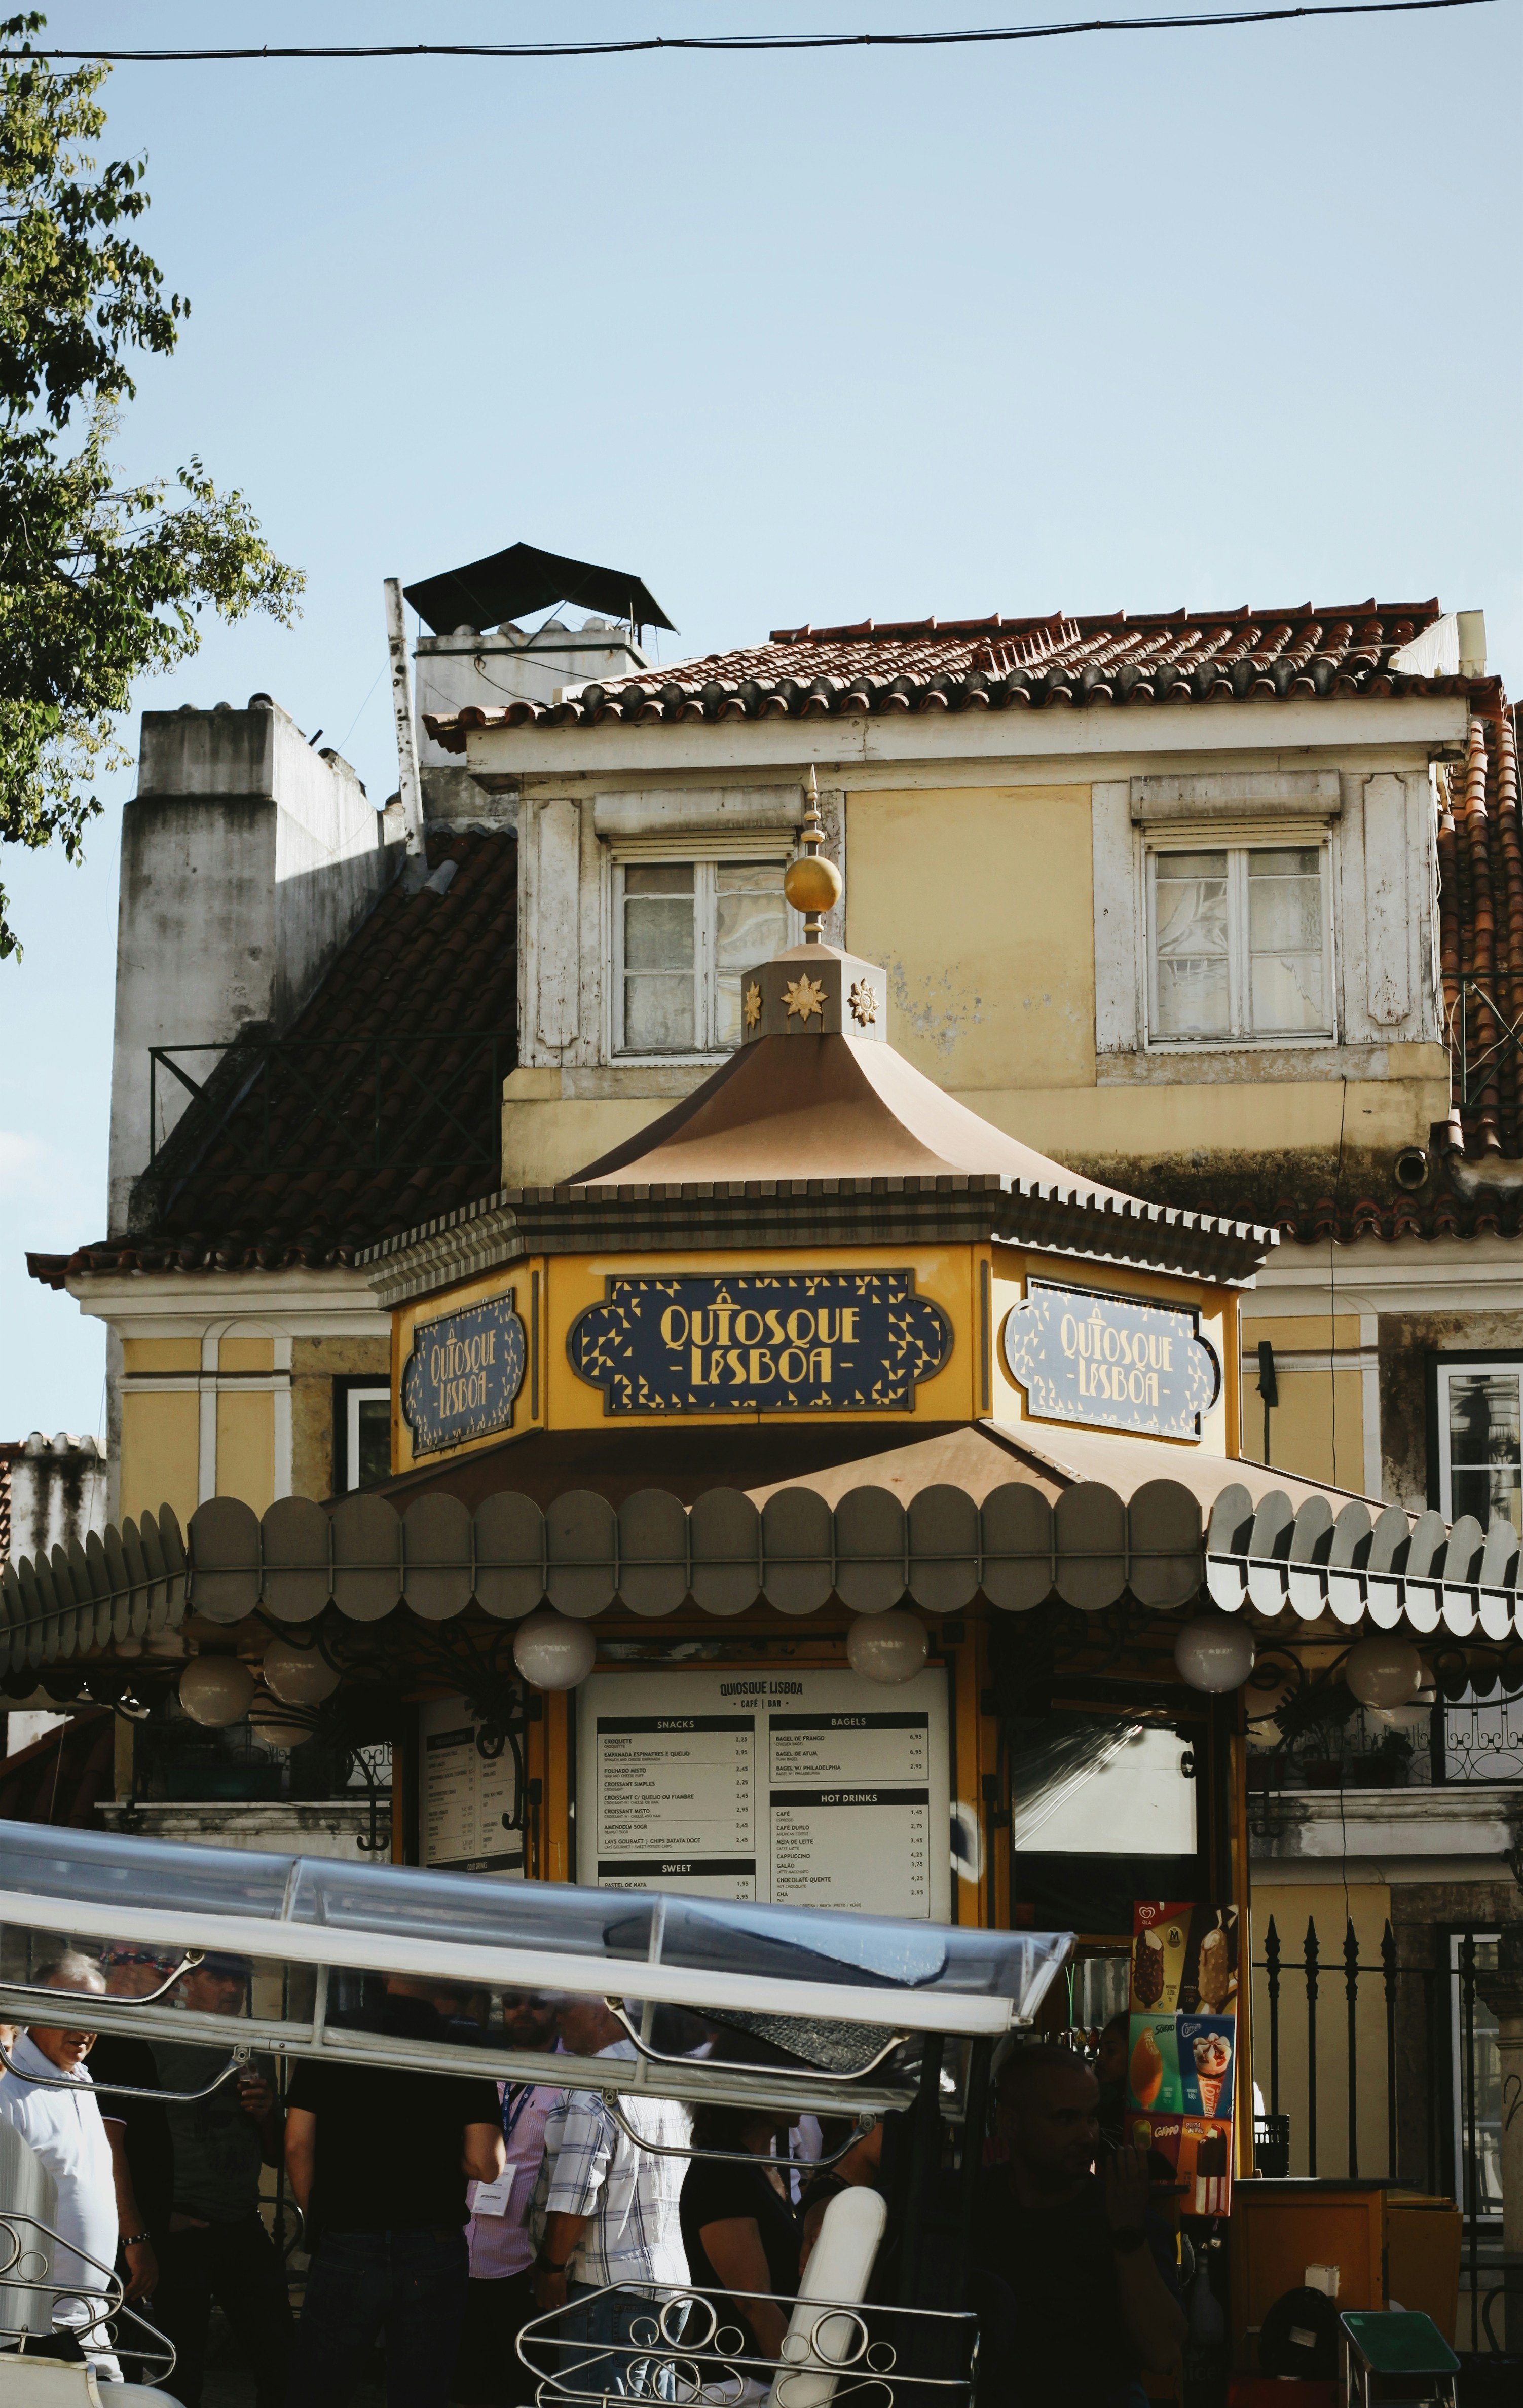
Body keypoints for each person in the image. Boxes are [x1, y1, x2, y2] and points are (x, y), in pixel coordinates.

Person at [284, 1973, 503, 2408]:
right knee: (421, 2392)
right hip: (433, 2244)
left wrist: (321, 2220)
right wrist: (441, 2160)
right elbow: (486, 2163)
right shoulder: (460, 2045)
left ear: (383, 1974)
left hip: (346, 2233)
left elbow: (295, 2143)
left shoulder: (332, 2035)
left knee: (320, 2388)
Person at [970, 2043, 1186, 2408]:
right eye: (1064, 2119)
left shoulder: (1121, 2213)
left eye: (1090, 2118)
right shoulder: (970, 2205)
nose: (1087, 2136)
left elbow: (1162, 2353)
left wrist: (1127, 2234)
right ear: (1010, 2123)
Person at [528, 1996, 690, 2399]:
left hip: (608, 2291)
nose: (556, 2016)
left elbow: (575, 2197)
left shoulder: (595, 2091)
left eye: (566, 2007)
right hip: (664, 2285)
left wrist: (550, 2268)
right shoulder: (662, 2078)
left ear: (602, 2013)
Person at [149, 1949, 290, 2408]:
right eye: (219, 1978)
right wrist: (156, 2217)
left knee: (280, 2356)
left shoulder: (251, 2044)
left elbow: (275, 2154)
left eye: (239, 1980)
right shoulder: (158, 2039)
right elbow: (127, 2136)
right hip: (180, 2225)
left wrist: (268, 2115)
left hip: (240, 2221)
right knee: (180, 2367)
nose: (232, 1989)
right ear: (188, 1983)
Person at [0, 1953, 128, 2378]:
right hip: (30, 2326)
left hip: (89, 2319)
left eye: (95, 2013)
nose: (85, 2028)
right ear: (35, 2010)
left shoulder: (79, 2079)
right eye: (72, 2010)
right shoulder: (11, 2088)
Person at [452, 1990, 559, 2408]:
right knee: (462, 2387)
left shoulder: (570, 2081)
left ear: (557, 2011)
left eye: (537, 2002)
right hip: (458, 2255)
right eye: (514, 2001)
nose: (523, 2011)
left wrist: (551, 2263)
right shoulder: (482, 2066)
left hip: (522, 2264)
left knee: (518, 2391)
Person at [679, 2103, 799, 2399]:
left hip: (761, 2381)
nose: (802, 2091)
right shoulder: (722, 2169)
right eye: (788, 2080)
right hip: (735, 2387)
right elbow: (754, 2303)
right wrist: (803, 2387)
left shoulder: (755, 2166)